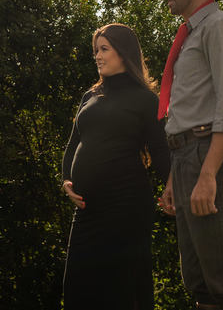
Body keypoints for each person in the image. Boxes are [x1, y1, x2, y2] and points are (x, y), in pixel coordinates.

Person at [147, 0, 223, 310]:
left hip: (209, 154)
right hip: (186, 158)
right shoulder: (190, 33)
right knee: (199, 281)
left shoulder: (219, 28)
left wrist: (207, 174)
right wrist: (175, 179)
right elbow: (187, 111)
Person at [61, 23, 171, 309]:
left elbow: (160, 149)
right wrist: (66, 181)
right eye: (95, 50)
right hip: (87, 211)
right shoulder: (90, 95)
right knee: (76, 288)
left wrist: (172, 185)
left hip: (125, 207)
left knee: (121, 291)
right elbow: (74, 144)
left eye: (104, 49)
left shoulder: (145, 99)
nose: (97, 56)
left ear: (123, 52)